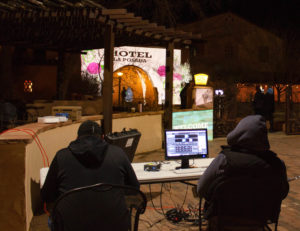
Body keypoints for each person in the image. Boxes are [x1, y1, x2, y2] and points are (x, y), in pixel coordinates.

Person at [41, 120, 140, 229]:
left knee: (53, 220)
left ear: (77, 137)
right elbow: (134, 188)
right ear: (102, 137)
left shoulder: (61, 156)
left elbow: (47, 195)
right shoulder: (118, 153)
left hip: (71, 226)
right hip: (115, 226)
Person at [197, 115, 289, 219]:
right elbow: (282, 193)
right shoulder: (277, 164)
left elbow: (201, 190)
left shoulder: (224, 159)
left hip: (223, 220)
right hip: (260, 220)